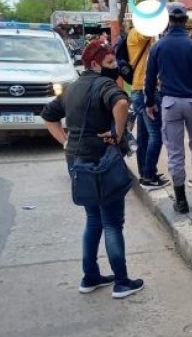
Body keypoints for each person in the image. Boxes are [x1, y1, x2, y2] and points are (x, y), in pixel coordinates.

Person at [41, 41, 145, 299]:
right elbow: (121, 104)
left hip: (75, 160)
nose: (115, 67)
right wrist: (117, 133)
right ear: (95, 64)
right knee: (112, 222)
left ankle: (90, 276)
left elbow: (48, 116)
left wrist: (65, 141)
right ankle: (121, 282)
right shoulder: (104, 84)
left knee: (93, 218)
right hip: (102, 160)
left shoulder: (72, 87)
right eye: (109, 63)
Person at [145, 2, 192, 214]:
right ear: (186, 21)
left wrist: (149, 102)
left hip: (170, 103)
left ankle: (181, 200)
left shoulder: (158, 47)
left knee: (175, 152)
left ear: (168, 20)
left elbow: (149, 79)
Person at [127, 26, 168, 188]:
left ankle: (146, 173)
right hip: (144, 90)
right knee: (156, 135)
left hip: (140, 90)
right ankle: (149, 175)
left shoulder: (144, 37)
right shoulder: (138, 33)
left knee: (144, 136)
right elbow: (147, 32)